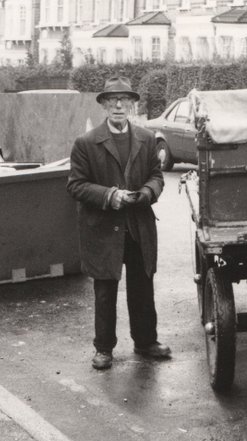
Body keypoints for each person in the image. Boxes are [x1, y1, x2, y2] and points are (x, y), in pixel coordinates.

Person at [68, 75, 171, 370]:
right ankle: (103, 349)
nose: (118, 105)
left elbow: (157, 175)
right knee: (105, 290)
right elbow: (75, 186)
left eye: (124, 100)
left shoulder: (147, 138)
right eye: (112, 100)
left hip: (138, 226)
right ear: (103, 105)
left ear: (132, 105)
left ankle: (146, 342)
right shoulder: (86, 143)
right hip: (103, 229)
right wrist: (110, 196)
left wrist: (147, 193)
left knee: (142, 286)